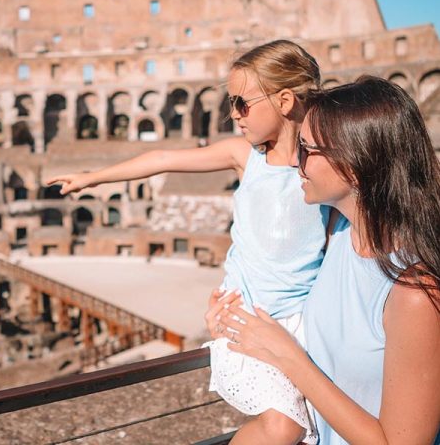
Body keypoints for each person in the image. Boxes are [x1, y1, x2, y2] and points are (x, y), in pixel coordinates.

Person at [48, 40, 328, 444]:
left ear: (285, 101)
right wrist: (92, 177)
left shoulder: (326, 165)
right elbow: (162, 158)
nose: (233, 114)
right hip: (246, 317)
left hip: (306, 323)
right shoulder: (244, 157)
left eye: (242, 103)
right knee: (285, 426)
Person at [214, 77, 440, 444]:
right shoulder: (336, 233)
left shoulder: (414, 292)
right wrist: (230, 314)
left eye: (305, 149)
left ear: (353, 165)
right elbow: (276, 283)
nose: (292, 161)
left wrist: (291, 359)